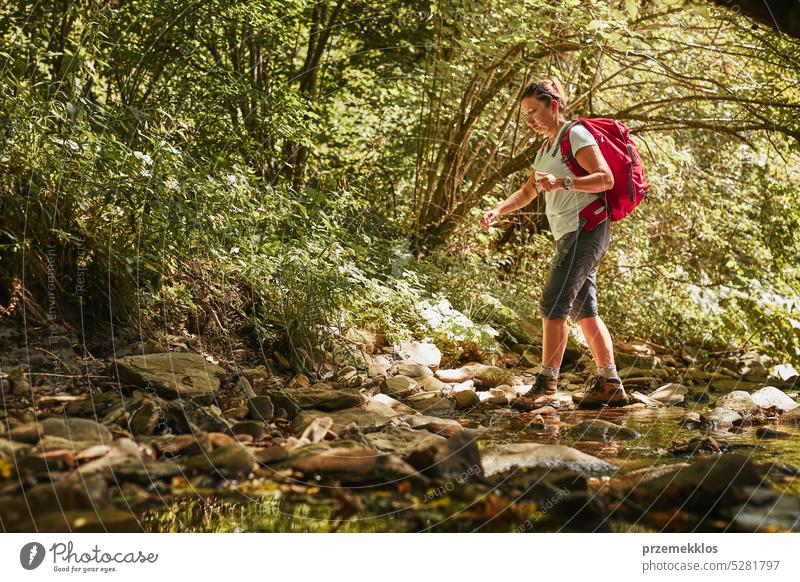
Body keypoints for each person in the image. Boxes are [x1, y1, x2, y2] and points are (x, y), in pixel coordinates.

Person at [479, 78, 627, 408]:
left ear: (554, 106)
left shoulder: (575, 135)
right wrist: (498, 210)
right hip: (571, 234)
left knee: (552, 304)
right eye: (525, 114)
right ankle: (611, 384)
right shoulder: (545, 149)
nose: (529, 119)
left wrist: (563, 181)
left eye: (534, 111)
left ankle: (547, 385)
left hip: (588, 227)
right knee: (584, 311)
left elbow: (606, 179)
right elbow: (529, 191)